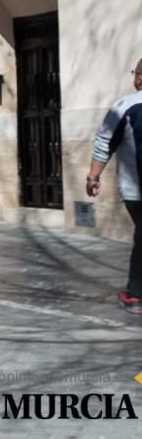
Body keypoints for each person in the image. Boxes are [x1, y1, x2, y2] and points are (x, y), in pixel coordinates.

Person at [88, 57, 142, 315]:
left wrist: (93, 177)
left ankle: (135, 295)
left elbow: (104, 143)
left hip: (136, 192)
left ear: (139, 77)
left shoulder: (124, 106)